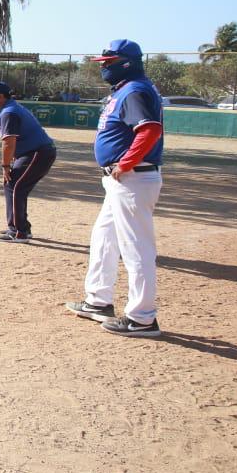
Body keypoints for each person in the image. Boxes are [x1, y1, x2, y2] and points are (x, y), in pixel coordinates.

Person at [67, 39, 166, 338]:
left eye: (108, 62)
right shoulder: (127, 88)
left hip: (133, 178)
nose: (104, 67)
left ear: (125, 62)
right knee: (104, 238)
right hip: (122, 181)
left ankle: (142, 318)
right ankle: (98, 301)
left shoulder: (135, 89)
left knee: (136, 249)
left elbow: (149, 130)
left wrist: (125, 164)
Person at [0, 81, 56, 242]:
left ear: (1, 96)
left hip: (37, 153)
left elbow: (9, 142)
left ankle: (19, 231)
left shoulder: (9, 111)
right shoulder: (8, 109)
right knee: (15, 187)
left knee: (14, 186)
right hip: (34, 152)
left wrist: (5, 166)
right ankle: (19, 228)